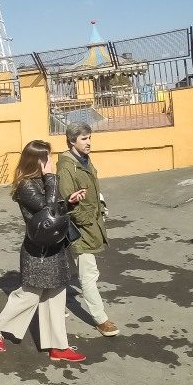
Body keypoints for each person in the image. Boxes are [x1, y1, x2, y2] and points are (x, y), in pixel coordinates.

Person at [0, 139, 88, 363]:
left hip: (54, 248)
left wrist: (69, 202)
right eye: (48, 157)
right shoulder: (26, 186)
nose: (51, 161)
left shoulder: (43, 181)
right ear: (37, 161)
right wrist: (51, 177)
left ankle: (58, 346)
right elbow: (47, 211)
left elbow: (56, 208)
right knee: (29, 296)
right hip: (38, 252)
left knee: (56, 296)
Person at [56, 123, 118, 337]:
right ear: (72, 141)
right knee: (88, 275)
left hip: (90, 224)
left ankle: (53, 306)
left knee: (65, 269)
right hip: (80, 229)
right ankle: (101, 319)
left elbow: (91, 191)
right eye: (84, 138)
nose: (89, 142)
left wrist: (100, 207)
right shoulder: (67, 168)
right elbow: (69, 203)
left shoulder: (84, 160)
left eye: (89, 137)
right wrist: (88, 221)